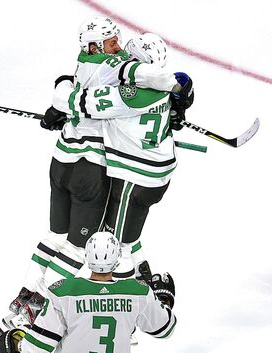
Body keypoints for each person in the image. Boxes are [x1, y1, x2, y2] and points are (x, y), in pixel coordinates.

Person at [6, 19, 190, 328]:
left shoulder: (84, 63)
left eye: (119, 41)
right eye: (112, 42)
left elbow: (64, 85)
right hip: (89, 171)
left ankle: (24, 294)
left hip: (61, 159)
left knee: (56, 235)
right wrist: (177, 92)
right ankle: (36, 306)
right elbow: (137, 79)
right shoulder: (121, 73)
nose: (118, 47)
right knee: (81, 247)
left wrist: (62, 108)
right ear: (94, 46)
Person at [50, 32, 194, 283]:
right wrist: (179, 109)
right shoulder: (164, 87)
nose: (121, 55)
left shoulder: (125, 93)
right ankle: (145, 277)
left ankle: (131, 297)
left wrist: (60, 107)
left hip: (135, 177)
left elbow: (80, 102)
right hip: (157, 174)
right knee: (127, 231)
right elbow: (183, 86)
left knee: (116, 246)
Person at [0, 232, 177, 353]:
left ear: (87, 256)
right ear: (117, 258)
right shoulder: (138, 292)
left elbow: (39, 347)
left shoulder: (63, 292)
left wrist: (16, 343)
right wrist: (163, 300)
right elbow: (165, 329)